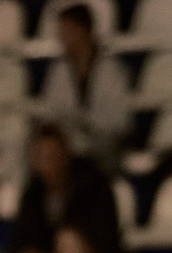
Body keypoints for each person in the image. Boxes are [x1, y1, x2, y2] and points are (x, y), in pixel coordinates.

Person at [11, 125, 121, 253]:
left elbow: (104, 241)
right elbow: (21, 240)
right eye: (41, 157)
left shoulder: (94, 187)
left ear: (66, 155)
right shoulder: (32, 196)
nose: (48, 163)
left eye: (52, 155)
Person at [42, 2, 131, 168]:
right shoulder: (59, 70)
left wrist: (88, 125)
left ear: (81, 31)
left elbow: (120, 121)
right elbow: (52, 112)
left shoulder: (112, 69)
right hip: (68, 149)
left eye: (65, 32)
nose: (61, 38)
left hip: (105, 149)